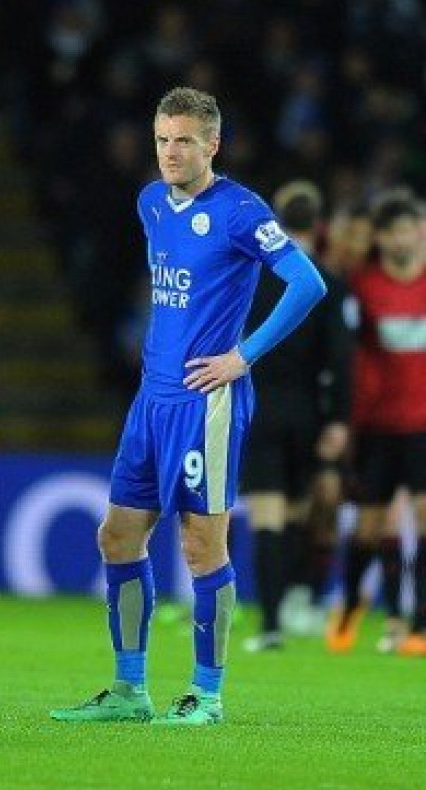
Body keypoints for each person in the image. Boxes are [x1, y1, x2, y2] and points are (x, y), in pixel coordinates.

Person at [50, 87, 326, 726]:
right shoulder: (150, 203)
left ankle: (207, 695)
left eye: (184, 141)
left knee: (203, 546)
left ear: (212, 145)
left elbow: (307, 282)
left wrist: (244, 354)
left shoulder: (240, 210)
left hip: (208, 402)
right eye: (162, 140)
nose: (171, 153)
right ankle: (128, 691)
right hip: (152, 400)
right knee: (117, 536)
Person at [240, 180, 352, 652]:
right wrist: (338, 420)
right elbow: (341, 358)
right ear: (319, 224)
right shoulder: (328, 282)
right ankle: (296, 601)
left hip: (257, 407)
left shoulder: (249, 276)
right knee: (300, 515)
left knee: (267, 518)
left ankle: (270, 626)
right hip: (308, 413)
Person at [327, 195, 426, 657]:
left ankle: (415, 623)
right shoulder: (362, 287)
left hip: (422, 426)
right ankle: (350, 605)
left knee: (423, 520)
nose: (405, 238)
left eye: (413, 229)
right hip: (376, 426)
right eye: (396, 231)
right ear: (383, 238)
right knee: (370, 527)